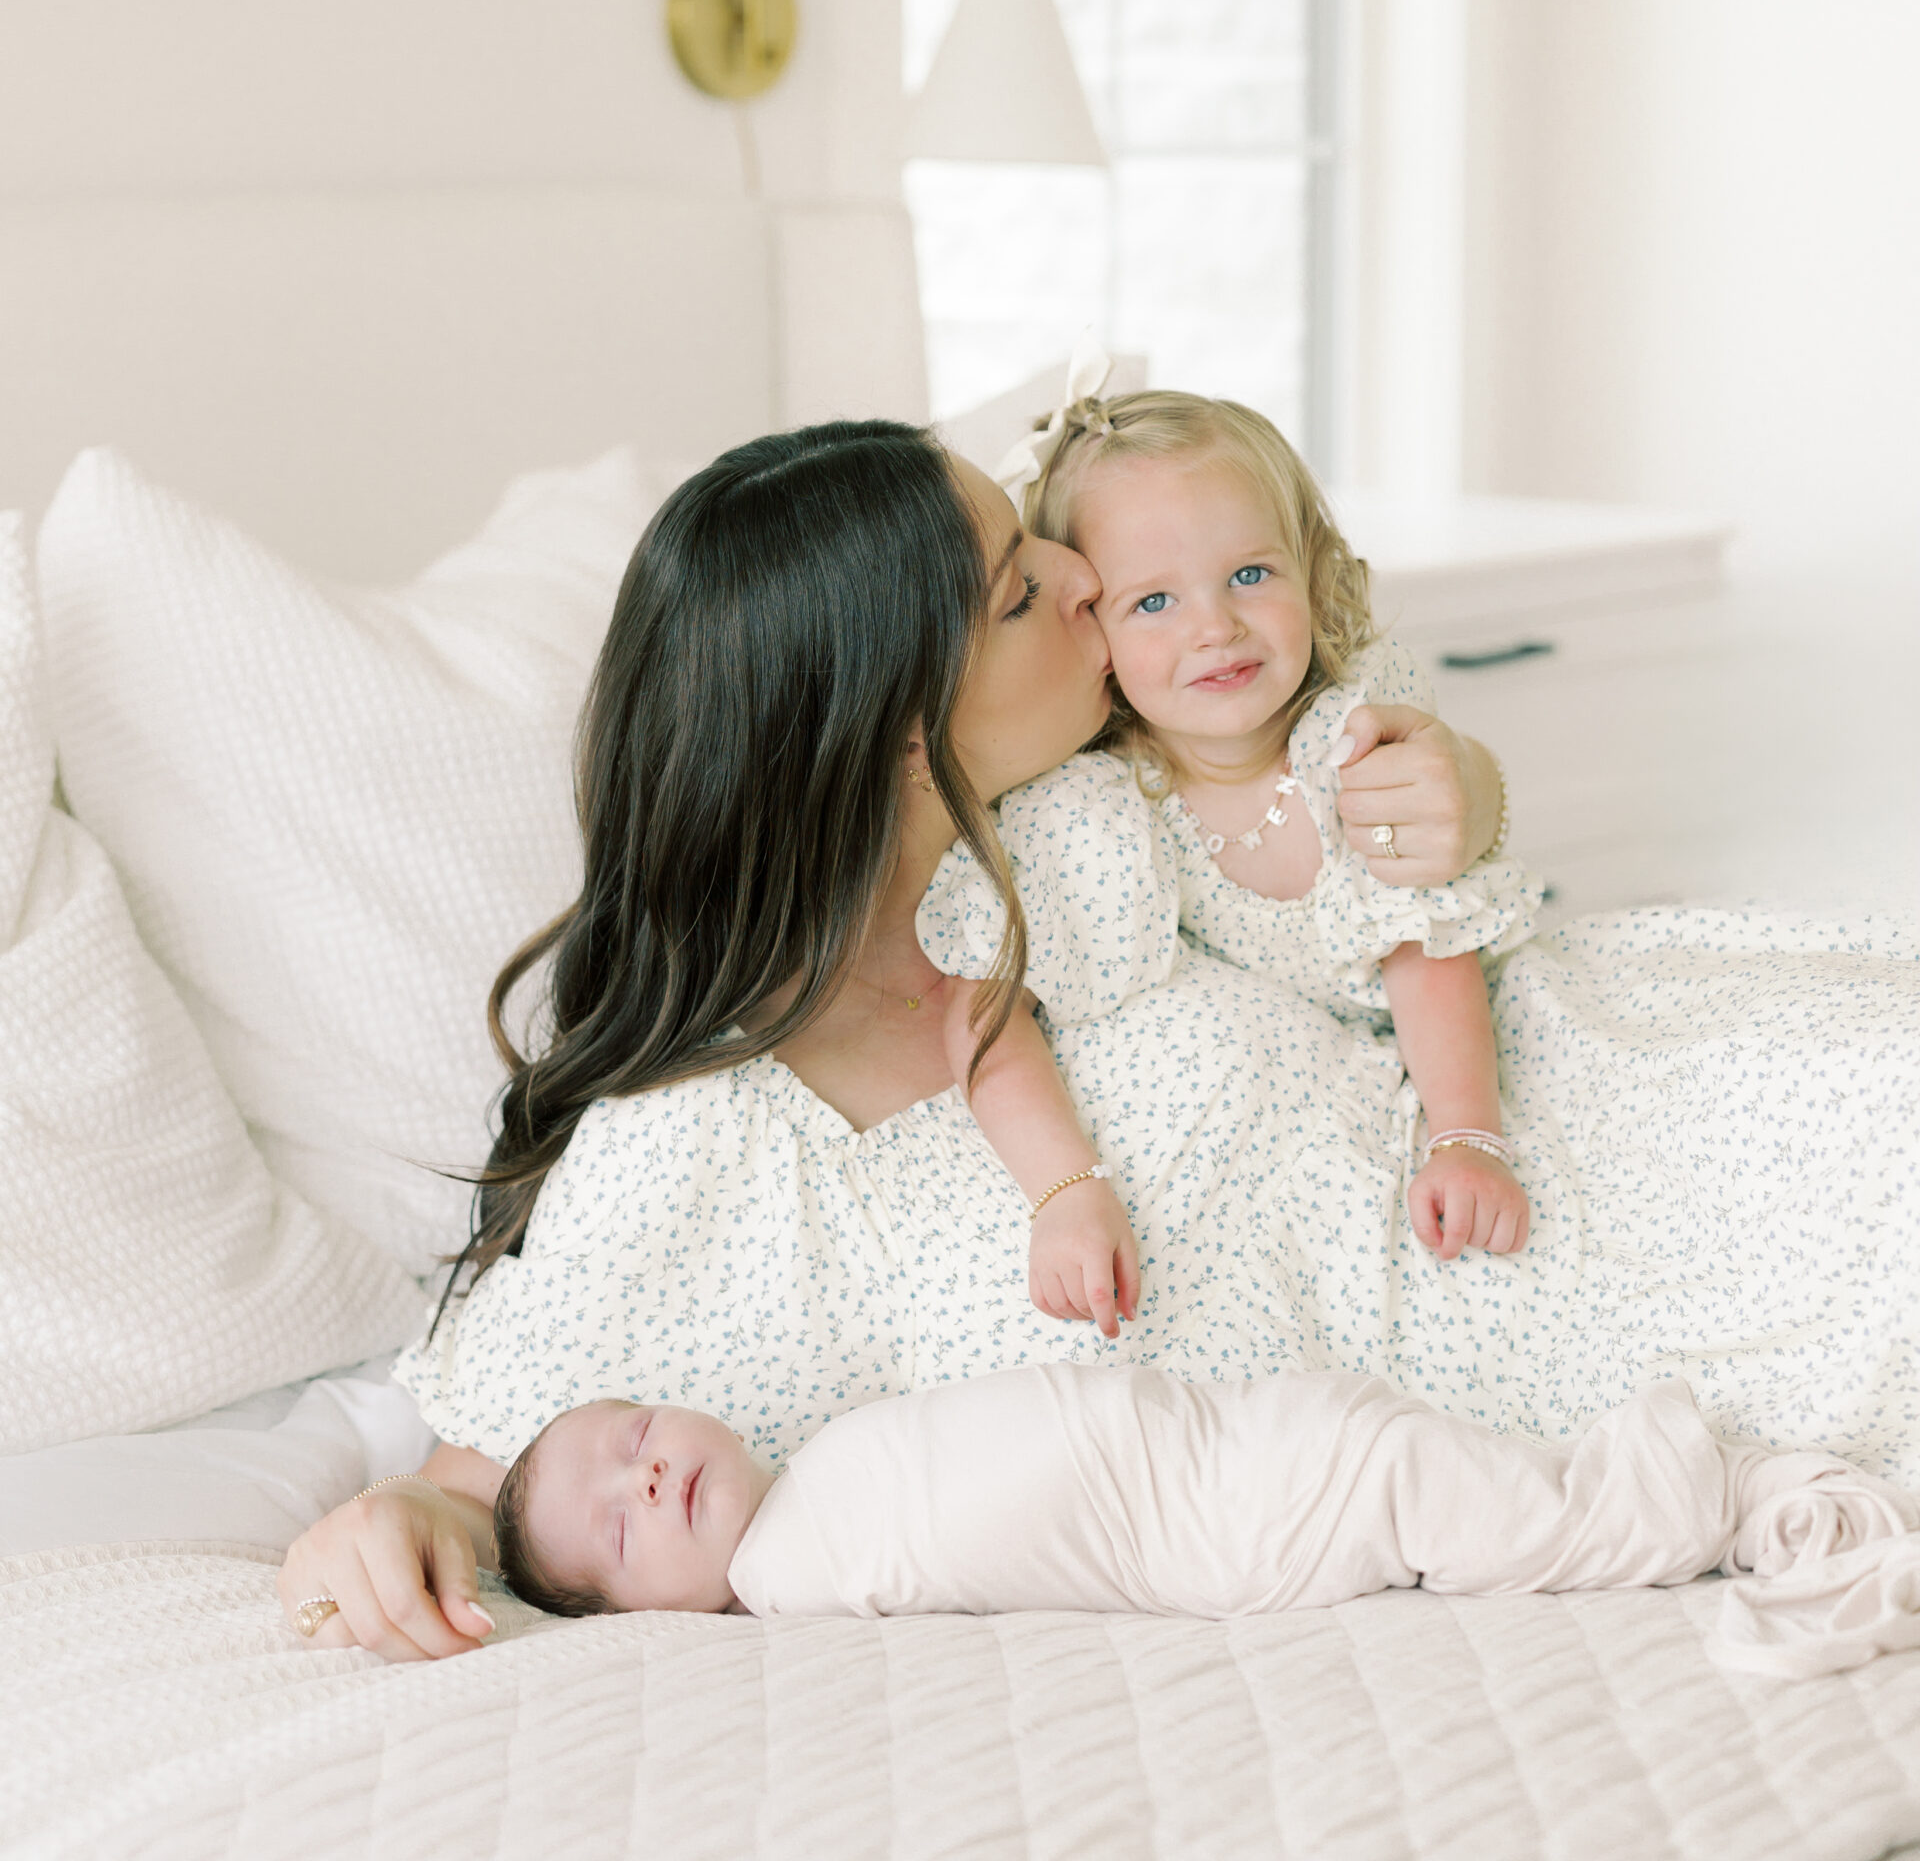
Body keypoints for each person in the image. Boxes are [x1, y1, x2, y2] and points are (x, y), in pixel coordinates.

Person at [277, 415, 1920, 1665]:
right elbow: (495, 1462)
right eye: (1018, 589)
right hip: (1525, 1344)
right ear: (896, 743)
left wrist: (1459, 790)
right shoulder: (709, 1139)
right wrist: (404, 1517)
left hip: (1570, 1120)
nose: (1084, 578)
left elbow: (1339, 778)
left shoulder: (1102, 805)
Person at [1003, 372, 1538, 1263]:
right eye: (1154, 602)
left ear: (1310, 566)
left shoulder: (1349, 734)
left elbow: (1424, 946)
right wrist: (1065, 1194)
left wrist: (1465, 1139)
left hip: (1449, 1058)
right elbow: (1011, 1011)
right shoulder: (1103, 801)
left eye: (1250, 574)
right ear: (1090, 629)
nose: (1216, 628)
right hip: (1292, 1098)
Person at [489, 1366, 1909, 1652]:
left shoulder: (819, 1463)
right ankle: (1700, 1493)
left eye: (631, 1433)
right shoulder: (792, 1596)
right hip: (1240, 1528)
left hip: (1236, 1441)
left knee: (1447, 1472)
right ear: (636, 1617)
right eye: (621, 1526)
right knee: (1473, 1506)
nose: (649, 1473)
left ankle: (1681, 1482)